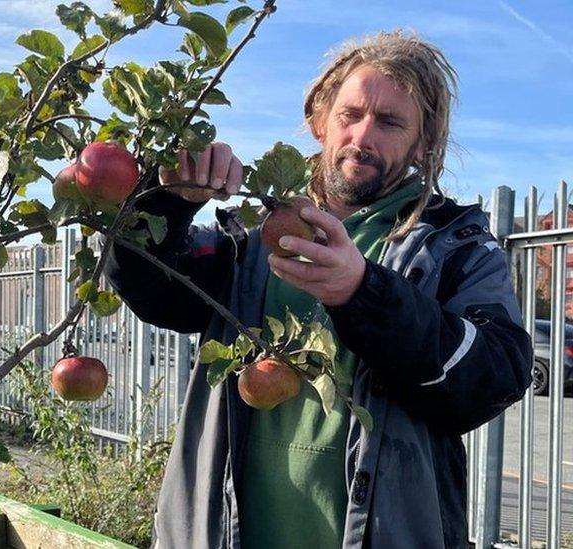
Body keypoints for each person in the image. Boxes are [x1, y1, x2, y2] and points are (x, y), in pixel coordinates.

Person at [106, 30, 533, 549]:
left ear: (423, 143)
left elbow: (495, 375)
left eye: (390, 122)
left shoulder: (454, 246)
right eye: (350, 115)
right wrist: (166, 201)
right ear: (320, 123)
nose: (362, 137)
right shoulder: (248, 238)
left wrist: (362, 291)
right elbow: (151, 287)